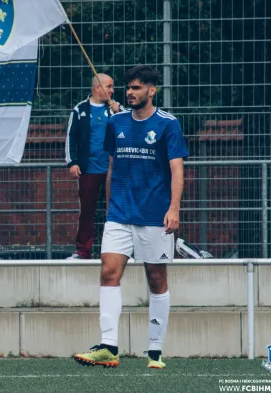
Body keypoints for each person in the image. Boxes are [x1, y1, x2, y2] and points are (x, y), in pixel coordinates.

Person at [74, 66, 188, 369]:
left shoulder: (168, 124)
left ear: (152, 90)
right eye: (128, 87)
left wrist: (174, 208)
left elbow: (177, 170)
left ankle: (154, 350)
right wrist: (109, 207)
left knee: (156, 278)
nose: (130, 92)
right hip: (119, 215)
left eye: (137, 87)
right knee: (108, 272)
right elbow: (111, 167)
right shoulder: (117, 123)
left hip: (154, 216)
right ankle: (109, 346)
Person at [65, 73, 123, 260]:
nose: (112, 90)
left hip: (113, 170)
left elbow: (129, 129)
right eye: (109, 86)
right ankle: (83, 251)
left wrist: (120, 113)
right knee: (87, 211)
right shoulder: (80, 109)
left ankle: (117, 251)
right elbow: (70, 138)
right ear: (98, 88)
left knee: (116, 211)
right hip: (88, 169)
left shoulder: (116, 109)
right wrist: (72, 162)